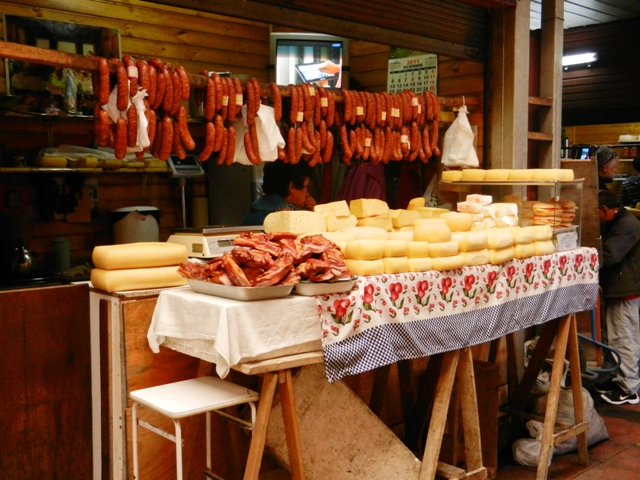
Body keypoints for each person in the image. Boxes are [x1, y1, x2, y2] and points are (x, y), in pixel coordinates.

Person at [593, 189, 640, 405]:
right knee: (618, 335)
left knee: (624, 337)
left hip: (625, 289)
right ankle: (618, 377)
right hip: (618, 287)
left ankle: (629, 388)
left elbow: (610, 255)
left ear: (604, 209)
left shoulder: (627, 225)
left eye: (597, 214)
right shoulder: (617, 221)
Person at [243, 160, 316, 226]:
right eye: (306, 187)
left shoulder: (255, 208)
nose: (307, 193)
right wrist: (311, 215)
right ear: (292, 187)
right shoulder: (289, 213)